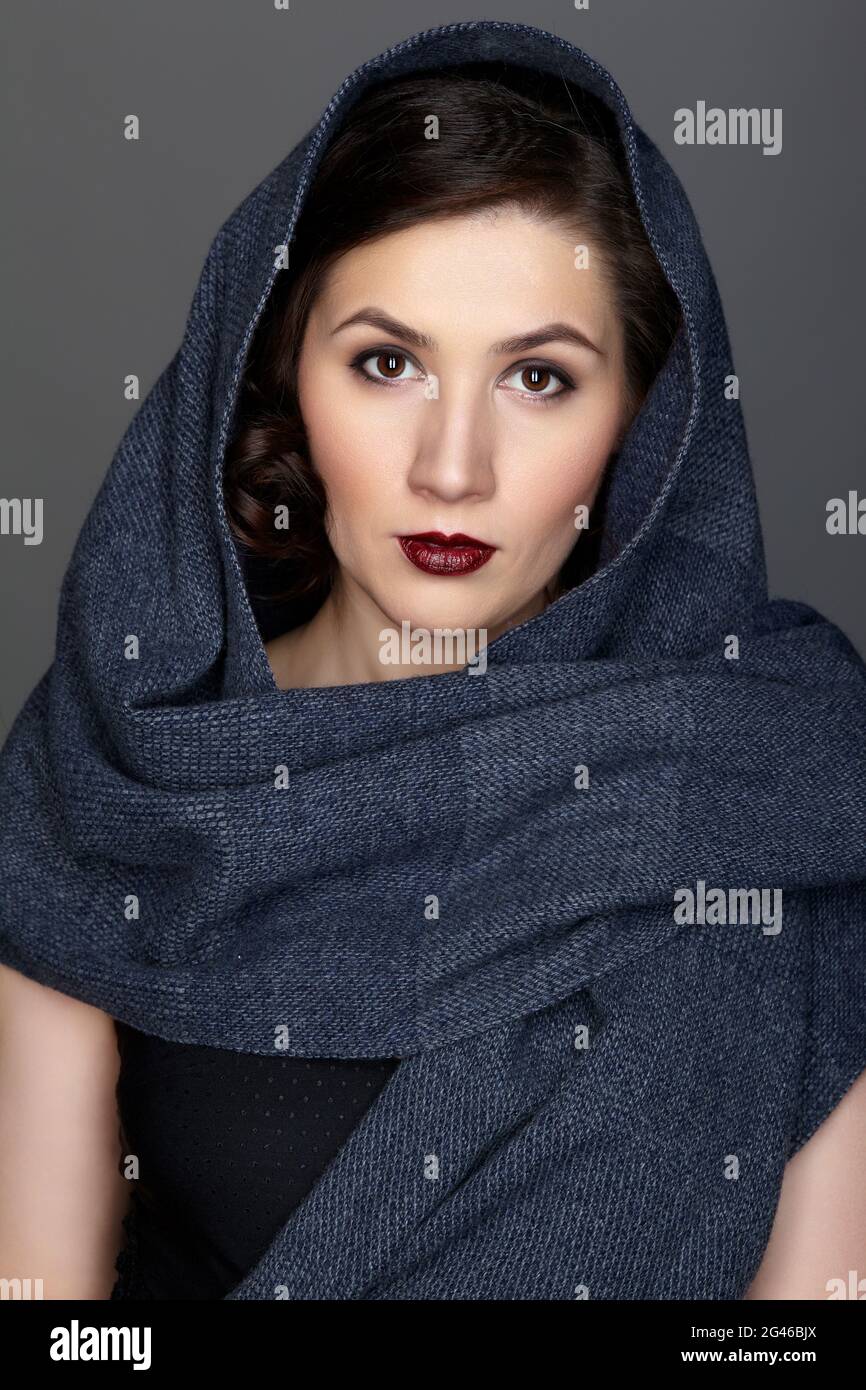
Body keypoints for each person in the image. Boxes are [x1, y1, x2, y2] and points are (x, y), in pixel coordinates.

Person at [1, 20, 864, 1302]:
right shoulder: (135, 763)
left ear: (643, 417)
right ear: (284, 365)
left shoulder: (775, 771)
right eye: (387, 362)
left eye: (537, 378)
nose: (449, 468)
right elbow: (45, 1315)